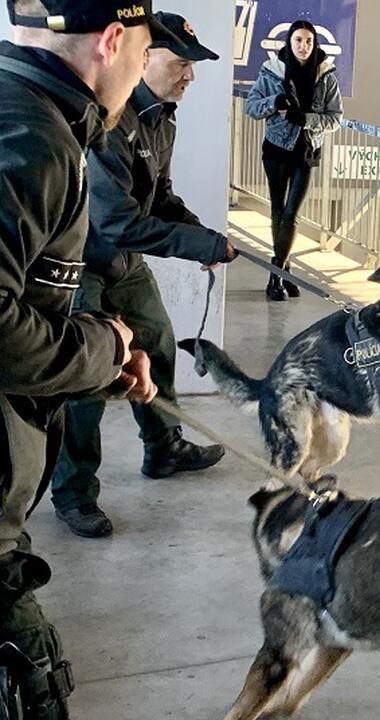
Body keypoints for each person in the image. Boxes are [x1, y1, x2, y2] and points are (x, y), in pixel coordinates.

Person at [0, 0, 166, 714]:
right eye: (143, 51)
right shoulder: (34, 137)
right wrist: (99, 349)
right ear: (111, 40)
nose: (140, 73)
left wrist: (101, 347)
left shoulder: (24, 111)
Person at [48, 11, 236, 539]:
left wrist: (206, 239)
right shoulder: (108, 118)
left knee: (158, 343)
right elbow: (119, 220)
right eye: (181, 64)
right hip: (80, 265)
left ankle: (164, 448)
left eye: (192, 66)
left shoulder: (162, 115)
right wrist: (198, 243)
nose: (190, 76)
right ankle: (74, 493)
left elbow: (160, 197)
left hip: (123, 262)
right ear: (146, 56)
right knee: (86, 380)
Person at [244, 19, 343, 301]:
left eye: (309, 41)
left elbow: (335, 118)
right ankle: (283, 270)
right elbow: (252, 106)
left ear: (315, 44)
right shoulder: (272, 71)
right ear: (290, 42)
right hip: (276, 149)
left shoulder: (326, 76)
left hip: (307, 152)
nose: (303, 46)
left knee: (292, 214)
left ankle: (276, 275)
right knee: (278, 211)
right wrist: (273, 102)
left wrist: (305, 119)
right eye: (298, 40)